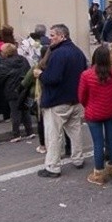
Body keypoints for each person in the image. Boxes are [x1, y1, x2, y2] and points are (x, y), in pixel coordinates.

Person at [35, 24, 87, 178]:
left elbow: (53, 78)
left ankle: (52, 166)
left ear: (62, 36)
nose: (50, 38)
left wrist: (40, 74)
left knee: (53, 135)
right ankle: (78, 159)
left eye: (53, 35)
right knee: (75, 131)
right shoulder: (78, 52)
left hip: (57, 101)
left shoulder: (58, 54)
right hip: (74, 99)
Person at [78, 46, 112, 185]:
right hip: (111, 110)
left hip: (93, 111)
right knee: (111, 139)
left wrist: (88, 105)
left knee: (98, 143)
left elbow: (81, 96)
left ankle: (99, 173)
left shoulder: (86, 75)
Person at [0, 43, 34, 142]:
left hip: (12, 90)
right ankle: (30, 131)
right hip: (25, 89)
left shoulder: (3, 64)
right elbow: (29, 72)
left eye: (2, 51)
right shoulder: (23, 60)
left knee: (15, 112)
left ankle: (16, 134)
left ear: (5, 53)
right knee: (25, 110)